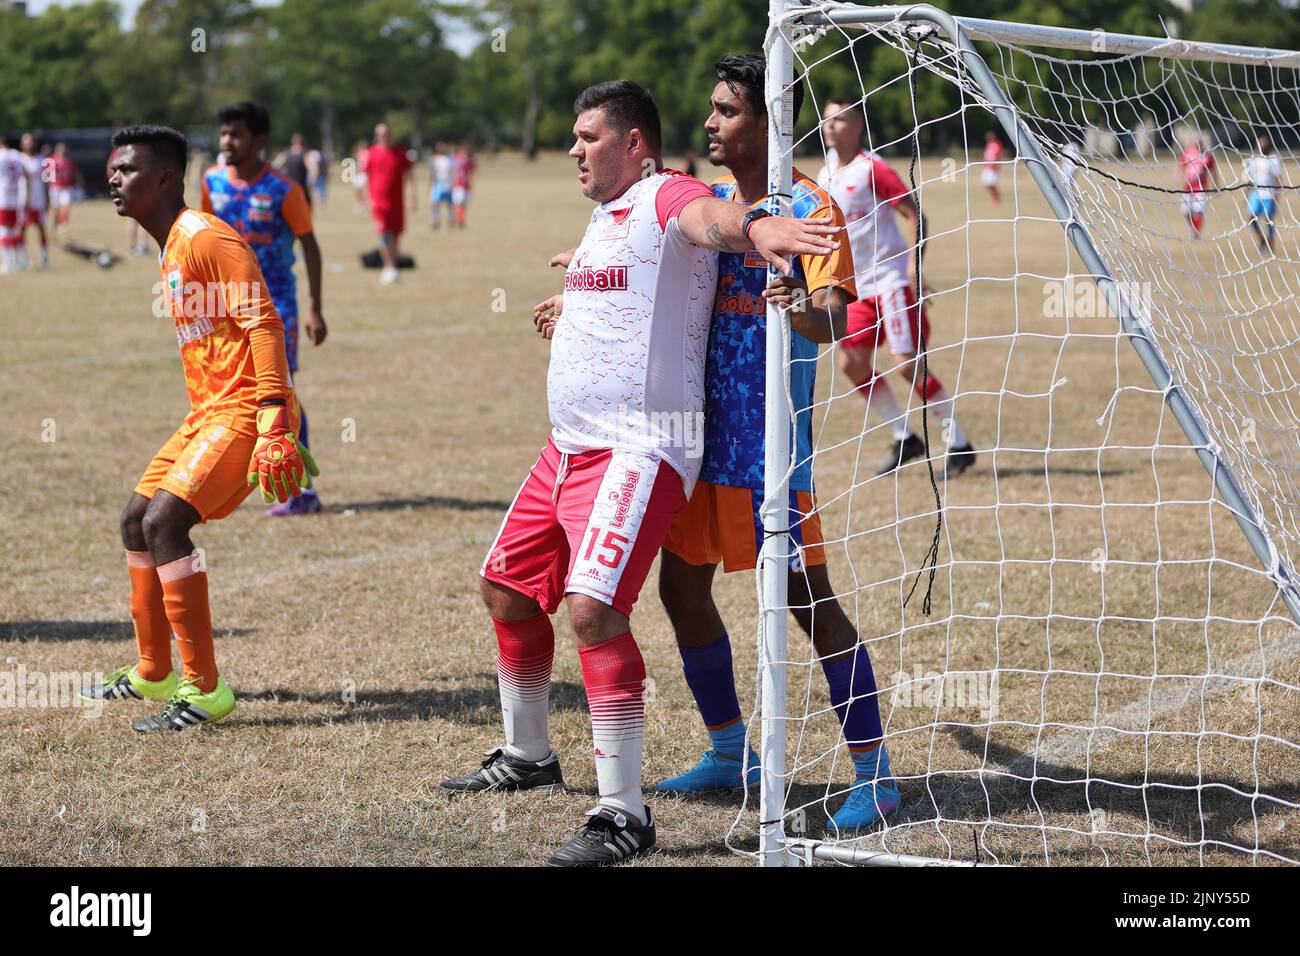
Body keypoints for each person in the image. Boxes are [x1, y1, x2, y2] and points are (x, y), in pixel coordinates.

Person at [439, 78, 842, 866]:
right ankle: (529, 755)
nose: (573, 150)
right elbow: (631, 288)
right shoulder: (608, 215)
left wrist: (756, 228)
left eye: (588, 137)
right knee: (506, 589)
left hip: (641, 446)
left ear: (635, 143)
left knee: (592, 612)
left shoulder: (667, 192)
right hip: (569, 443)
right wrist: (572, 304)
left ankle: (624, 816)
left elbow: (711, 220)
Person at [646, 55, 900, 836]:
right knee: (680, 591)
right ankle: (730, 753)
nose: (709, 124)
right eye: (712, 110)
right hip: (699, 444)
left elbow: (833, 320)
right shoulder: (714, 203)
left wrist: (799, 308)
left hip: (771, 453)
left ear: (767, 119)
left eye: (725, 111)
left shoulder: (812, 206)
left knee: (808, 603)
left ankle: (876, 773)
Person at [83, 124, 316, 731]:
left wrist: (272, 418)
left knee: (165, 521)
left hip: (245, 411)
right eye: (111, 169)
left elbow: (264, 323)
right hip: (207, 413)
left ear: (163, 179)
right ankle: (153, 670)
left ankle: (204, 689)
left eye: (126, 170)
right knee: (135, 518)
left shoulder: (206, 237)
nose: (112, 177)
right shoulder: (168, 244)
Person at [818, 98, 975, 478]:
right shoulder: (825, 174)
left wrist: (913, 269)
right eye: (826, 121)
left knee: (907, 366)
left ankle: (959, 442)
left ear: (857, 126)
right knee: (851, 363)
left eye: (839, 121)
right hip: (856, 289)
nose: (830, 127)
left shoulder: (873, 169)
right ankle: (904, 437)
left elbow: (915, 213)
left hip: (891, 283)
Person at [202, 101, 328, 516]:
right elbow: (200, 242)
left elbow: (310, 246)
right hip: (224, 309)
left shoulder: (284, 190)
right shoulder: (212, 181)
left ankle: (301, 490)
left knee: (279, 393)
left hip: (275, 310)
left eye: (235, 133)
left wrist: (314, 308)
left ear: (258, 141)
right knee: (232, 393)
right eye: (223, 133)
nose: (226, 141)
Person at [364, 124, 415, 284]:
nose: (383, 137)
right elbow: (365, 178)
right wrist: (367, 199)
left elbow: (408, 176)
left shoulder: (400, 153)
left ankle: (393, 264)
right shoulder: (371, 154)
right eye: (380, 135)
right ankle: (388, 266)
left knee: (396, 233)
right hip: (379, 202)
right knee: (384, 234)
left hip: (397, 201)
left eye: (386, 134)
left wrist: (412, 197)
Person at [1244, 134, 1282, 253]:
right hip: (1255, 193)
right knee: (1252, 218)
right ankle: (1262, 240)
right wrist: (1247, 194)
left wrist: (1277, 196)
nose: (1262, 146)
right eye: (1260, 144)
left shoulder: (1273, 159)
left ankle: (1271, 245)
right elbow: (1248, 178)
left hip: (1269, 195)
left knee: (1269, 220)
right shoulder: (1254, 159)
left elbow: (1278, 178)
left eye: (1264, 144)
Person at [19, 132, 49, 269]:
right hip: (23, 200)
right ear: (22, 144)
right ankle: (22, 257)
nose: (29, 144)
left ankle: (44, 257)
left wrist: (48, 199)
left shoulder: (42, 159)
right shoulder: (18, 159)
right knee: (22, 228)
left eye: (31, 141)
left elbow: (47, 181)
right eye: (26, 141)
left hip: (39, 200)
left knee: (41, 227)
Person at [1179, 134, 1215, 240]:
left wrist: (1216, 185)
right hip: (1188, 188)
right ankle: (1194, 229)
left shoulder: (1207, 156)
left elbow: (1213, 171)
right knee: (1186, 212)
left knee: (1198, 212)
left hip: (1201, 188)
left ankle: (1196, 232)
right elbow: (1181, 166)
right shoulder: (1188, 153)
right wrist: (1179, 179)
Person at [0, 138, 25, 274]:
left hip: (3, 198)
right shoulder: (17, 155)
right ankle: (21, 259)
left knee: (3, 231)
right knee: (14, 230)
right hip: (16, 197)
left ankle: (8, 262)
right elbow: (25, 175)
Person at [46, 142, 82, 239]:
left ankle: (63, 224)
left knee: (66, 206)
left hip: (67, 187)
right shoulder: (52, 160)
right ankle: (55, 226)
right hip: (56, 187)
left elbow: (75, 173)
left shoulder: (69, 161)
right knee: (56, 209)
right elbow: (47, 175)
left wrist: (79, 183)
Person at [429, 142, 454, 228]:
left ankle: (450, 221)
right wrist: (431, 184)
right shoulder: (434, 159)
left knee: (449, 205)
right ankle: (436, 221)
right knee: (435, 204)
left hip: (447, 185)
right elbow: (432, 173)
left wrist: (452, 183)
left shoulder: (449, 159)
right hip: (437, 185)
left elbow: (452, 172)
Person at [451, 140, 475, 228]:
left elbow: (472, 172)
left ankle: (460, 219)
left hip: (465, 184)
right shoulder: (458, 159)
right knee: (458, 203)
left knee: (463, 204)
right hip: (458, 184)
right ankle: (457, 219)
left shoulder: (467, 159)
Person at [981, 130, 1004, 204]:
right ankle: (995, 196)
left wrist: (996, 164)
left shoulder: (997, 144)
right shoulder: (988, 145)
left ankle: (996, 199)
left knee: (991, 184)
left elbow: (998, 155)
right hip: (987, 167)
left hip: (993, 168)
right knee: (985, 184)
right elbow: (987, 155)